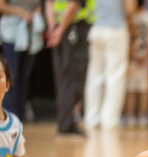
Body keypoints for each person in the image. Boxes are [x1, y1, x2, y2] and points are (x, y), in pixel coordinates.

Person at [44, 0, 94, 136]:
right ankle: (67, 125)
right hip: (74, 28)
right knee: (73, 78)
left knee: (64, 78)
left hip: (60, 28)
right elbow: (74, 4)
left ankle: (67, 123)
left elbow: (49, 3)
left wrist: (52, 29)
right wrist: (59, 31)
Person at [84, 0, 135, 130]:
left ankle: (91, 118)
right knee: (115, 76)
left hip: (95, 28)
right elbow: (130, 10)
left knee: (94, 76)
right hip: (116, 29)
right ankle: (109, 120)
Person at [0, 0, 46, 120]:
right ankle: (9, 114)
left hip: (29, 35)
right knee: (11, 75)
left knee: (24, 76)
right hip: (11, 35)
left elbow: (39, 5)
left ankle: (21, 113)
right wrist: (21, 12)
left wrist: (36, 12)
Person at [122, 0, 148, 127]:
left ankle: (130, 116)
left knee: (131, 89)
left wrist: (131, 54)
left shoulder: (129, 18)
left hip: (131, 57)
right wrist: (146, 55)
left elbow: (128, 37)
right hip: (145, 57)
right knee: (144, 89)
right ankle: (142, 116)